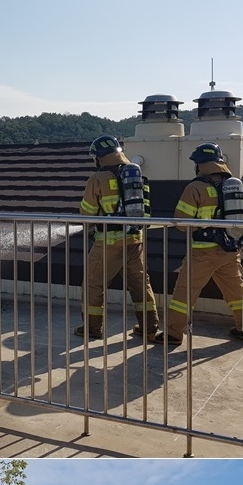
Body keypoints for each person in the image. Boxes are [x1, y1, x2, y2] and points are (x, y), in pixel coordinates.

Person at [155, 142, 243, 348]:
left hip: (203, 252)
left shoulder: (195, 188)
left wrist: (200, 226)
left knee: (185, 292)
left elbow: (181, 222)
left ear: (199, 164)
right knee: (237, 291)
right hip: (230, 250)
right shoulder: (235, 185)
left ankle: (173, 333)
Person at [75, 134, 159, 342]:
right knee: (140, 284)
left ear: (99, 157)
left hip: (108, 242)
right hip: (135, 239)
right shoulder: (135, 175)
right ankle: (149, 328)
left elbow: (87, 212)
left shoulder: (97, 179)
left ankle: (92, 328)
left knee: (94, 284)